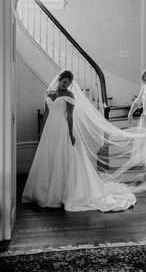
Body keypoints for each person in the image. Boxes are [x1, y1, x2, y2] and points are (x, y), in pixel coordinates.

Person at [22, 69, 136, 212]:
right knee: (48, 158)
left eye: (68, 84)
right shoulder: (49, 93)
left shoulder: (69, 95)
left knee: (62, 158)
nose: (65, 86)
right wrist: (42, 131)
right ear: (59, 79)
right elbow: (46, 115)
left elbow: (70, 117)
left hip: (62, 129)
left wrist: (70, 134)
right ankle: (43, 191)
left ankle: (60, 193)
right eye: (64, 82)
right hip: (49, 131)